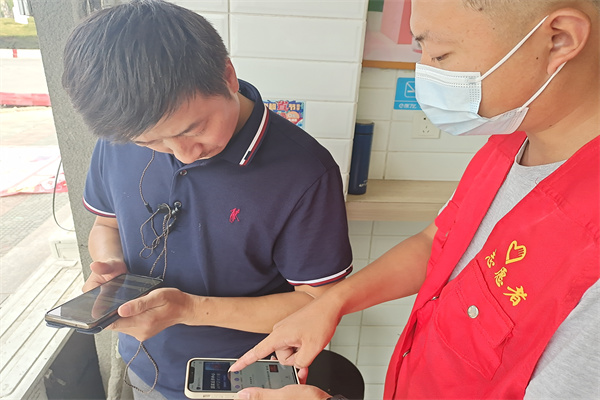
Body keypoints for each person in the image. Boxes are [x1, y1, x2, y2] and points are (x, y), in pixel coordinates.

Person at [230, 0, 600, 398]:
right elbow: (437, 243)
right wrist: (331, 303)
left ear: (560, 39)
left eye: (440, 55)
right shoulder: (509, 144)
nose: (424, 72)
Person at [61, 0, 353, 398]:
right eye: (151, 143)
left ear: (227, 76)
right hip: (142, 365)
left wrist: (190, 309)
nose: (183, 153)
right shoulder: (119, 138)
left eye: (193, 129)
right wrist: (113, 267)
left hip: (243, 380)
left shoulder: (306, 173)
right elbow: (106, 224)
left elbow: (320, 302)